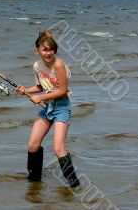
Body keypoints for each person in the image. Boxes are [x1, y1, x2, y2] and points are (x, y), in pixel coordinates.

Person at [16, 30, 80, 187]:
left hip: (61, 107)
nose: (48, 53)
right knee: (33, 144)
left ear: (55, 50)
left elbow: (62, 90)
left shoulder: (59, 65)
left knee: (58, 148)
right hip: (47, 107)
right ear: (37, 50)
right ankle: (34, 182)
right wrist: (26, 90)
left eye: (51, 49)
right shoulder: (37, 66)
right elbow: (40, 86)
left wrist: (41, 97)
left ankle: (74, 185)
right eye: (44, 49)